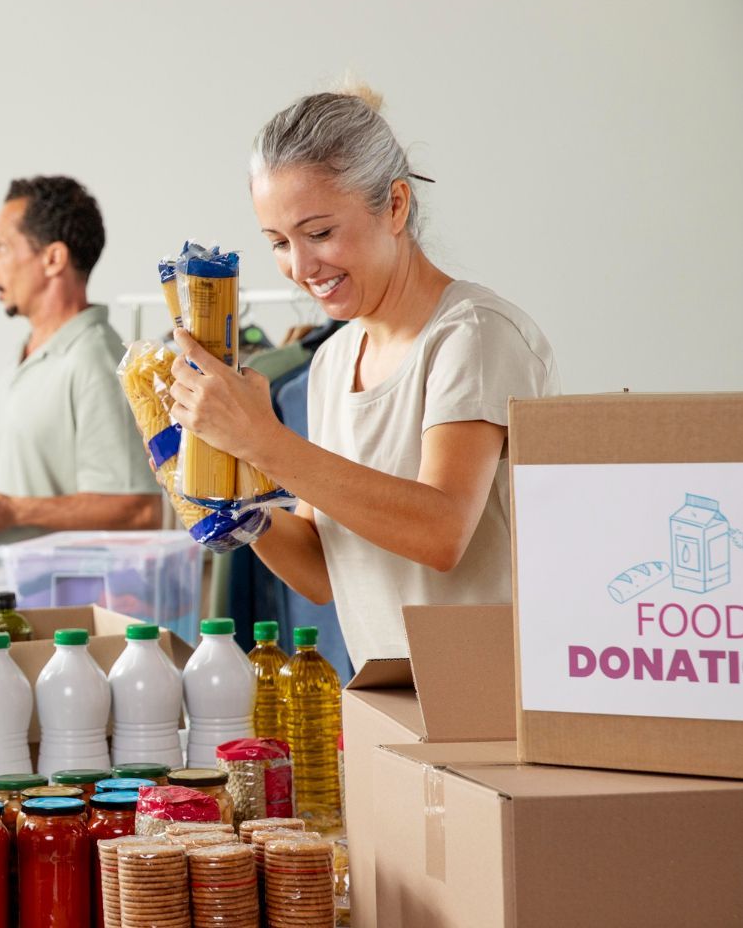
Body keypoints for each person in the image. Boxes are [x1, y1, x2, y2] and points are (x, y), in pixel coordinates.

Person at [168, 86, 560, 668]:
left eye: (320, 233)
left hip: (492, 702)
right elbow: (326, 572)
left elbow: (441, 532)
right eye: (278, 243)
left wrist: (263, 440)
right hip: (387, 699)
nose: (300, 268)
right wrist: (235, 504)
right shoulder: (332, 361)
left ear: (396, 206)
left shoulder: (473, 335)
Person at [0, 176, 161, 545]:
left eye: (1, 248)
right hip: (10, 595)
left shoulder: (95, 360)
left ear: (53, 259)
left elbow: (138, 508)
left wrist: (11, 511)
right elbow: (45, 479)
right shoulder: (35, 356)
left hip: (52, 600)